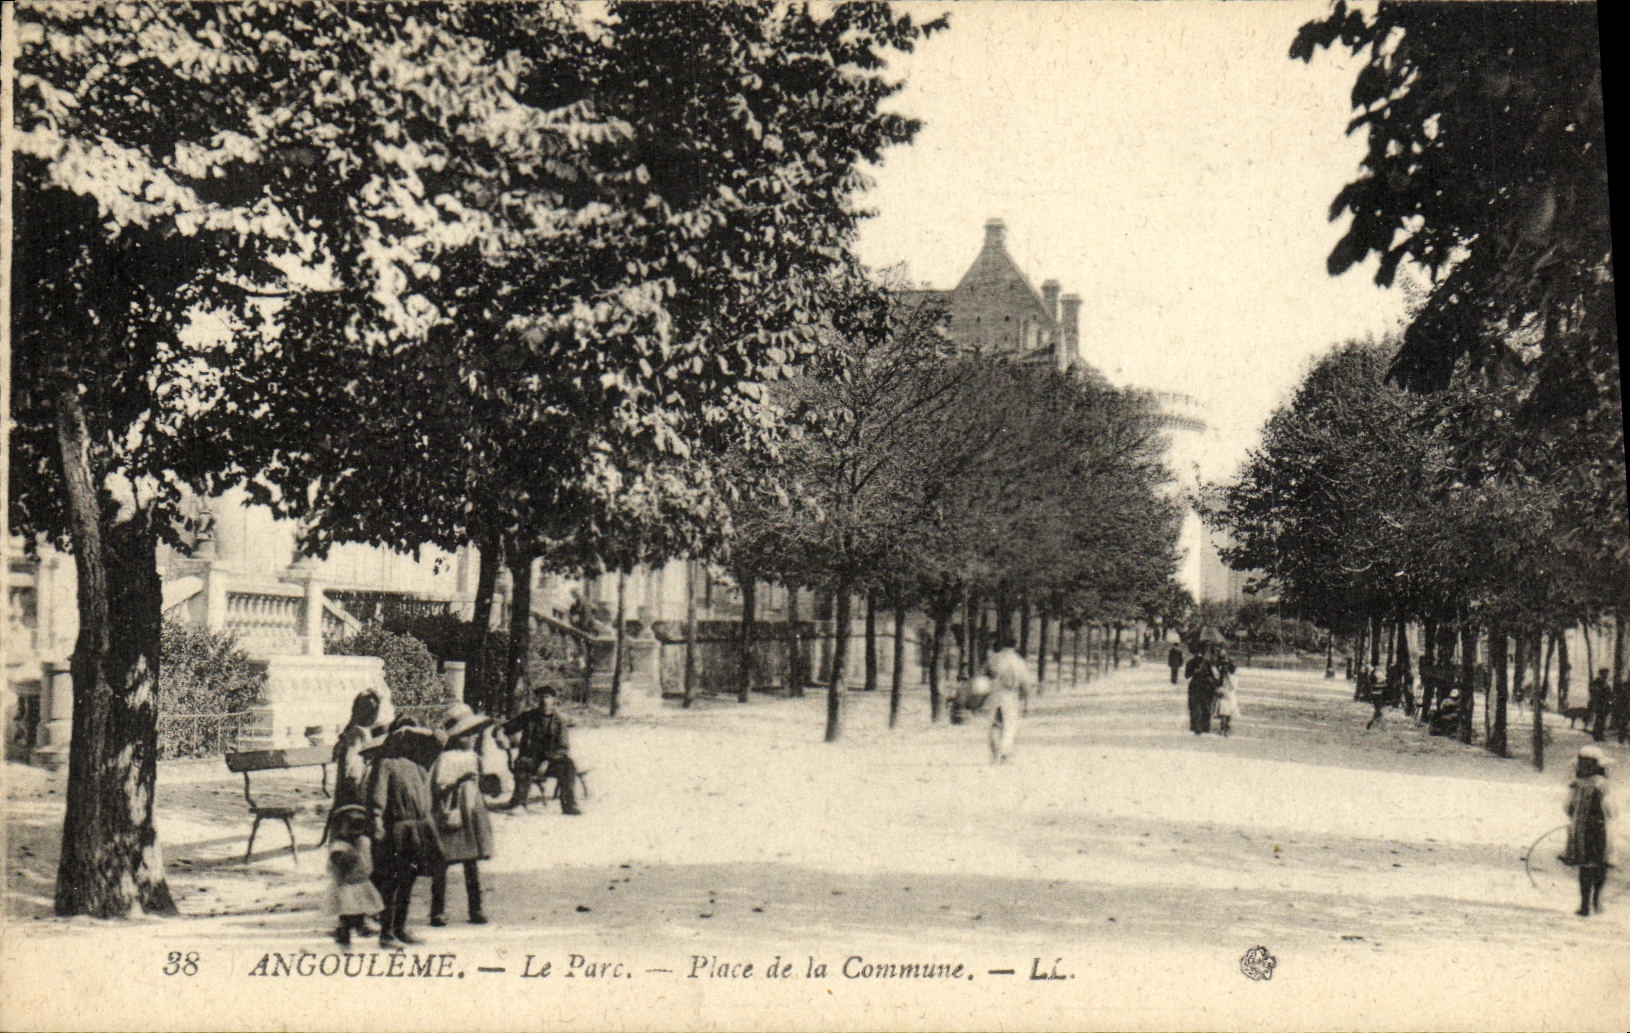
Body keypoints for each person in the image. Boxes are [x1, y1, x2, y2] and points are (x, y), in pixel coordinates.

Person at [364, 717, 443, 948]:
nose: (405, 741)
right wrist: (377, 822)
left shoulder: (420, 761)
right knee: (392, 882)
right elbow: (376, 798)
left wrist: (414, 728)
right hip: (397, 829)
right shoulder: (385, 762)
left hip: (420, 827)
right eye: (400, 736)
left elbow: (441, 739)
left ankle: (401, 928)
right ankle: (386, 934)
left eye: (409, 737)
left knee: (409, 879)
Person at [429, 704, 495, 926]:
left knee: (472, 862)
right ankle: (437, 910)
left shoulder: (474, 756)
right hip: (452, 810)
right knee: (443, 862)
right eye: (467, 733)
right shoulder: (446, 758)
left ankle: (476, 908)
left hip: (472, 810)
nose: (472, 737)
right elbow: (437, 787)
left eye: (474, 732)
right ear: (457, 736)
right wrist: (458, 782)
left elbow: (482, 783)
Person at [499, 688, 582, 814]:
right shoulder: (528, 717)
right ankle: (519, 804)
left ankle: (569, 805)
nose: (544, 700)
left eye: (548, 697)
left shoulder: (559, 720)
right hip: (530, 758)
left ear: (554, 700)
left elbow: (563, 747)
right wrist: (500, 733)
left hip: (552, 761)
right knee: (522, 763)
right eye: (541, 697)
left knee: (568, 765)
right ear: (537, 700)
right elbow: (507, 728)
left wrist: (548, 761)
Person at [1560, 746, 1615, 917]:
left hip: (1590, 829)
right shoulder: (1589, 785)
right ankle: (1591, 902)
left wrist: (1577, 817)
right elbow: (1611, 810)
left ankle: (1591, 902)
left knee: (1590, 866)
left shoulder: (1595, 785)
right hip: (1595, 828)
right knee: (1595, 866)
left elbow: (1569, 808)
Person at [325, 804, 385, 947]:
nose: (354, 831)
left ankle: (359, 925)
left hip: (361, 879)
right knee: (348, 908)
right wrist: (343, 861)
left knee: (360, 905)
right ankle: (344, 930)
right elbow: (336, 862)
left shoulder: (363, 841)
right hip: (347, 883)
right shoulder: (340, 845)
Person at [1184, 643, 1232, 735]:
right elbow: (1213, 676)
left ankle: (1199, 726)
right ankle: (1202, 726)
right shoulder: (1203, 663)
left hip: (1199, 686)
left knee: (1198, 706)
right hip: (1203, 686)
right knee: (1203, 706)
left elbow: (1187, 675)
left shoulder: (1199, 663)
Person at [1212, 667, 1240, 737]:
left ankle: (1223, 729)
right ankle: (1225, 728)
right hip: (1230, 697)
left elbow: (1231, 687)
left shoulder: (1226, 678)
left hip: (1226, 697)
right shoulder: (1233, 678)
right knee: (1227, 714)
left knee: (1224, 714)